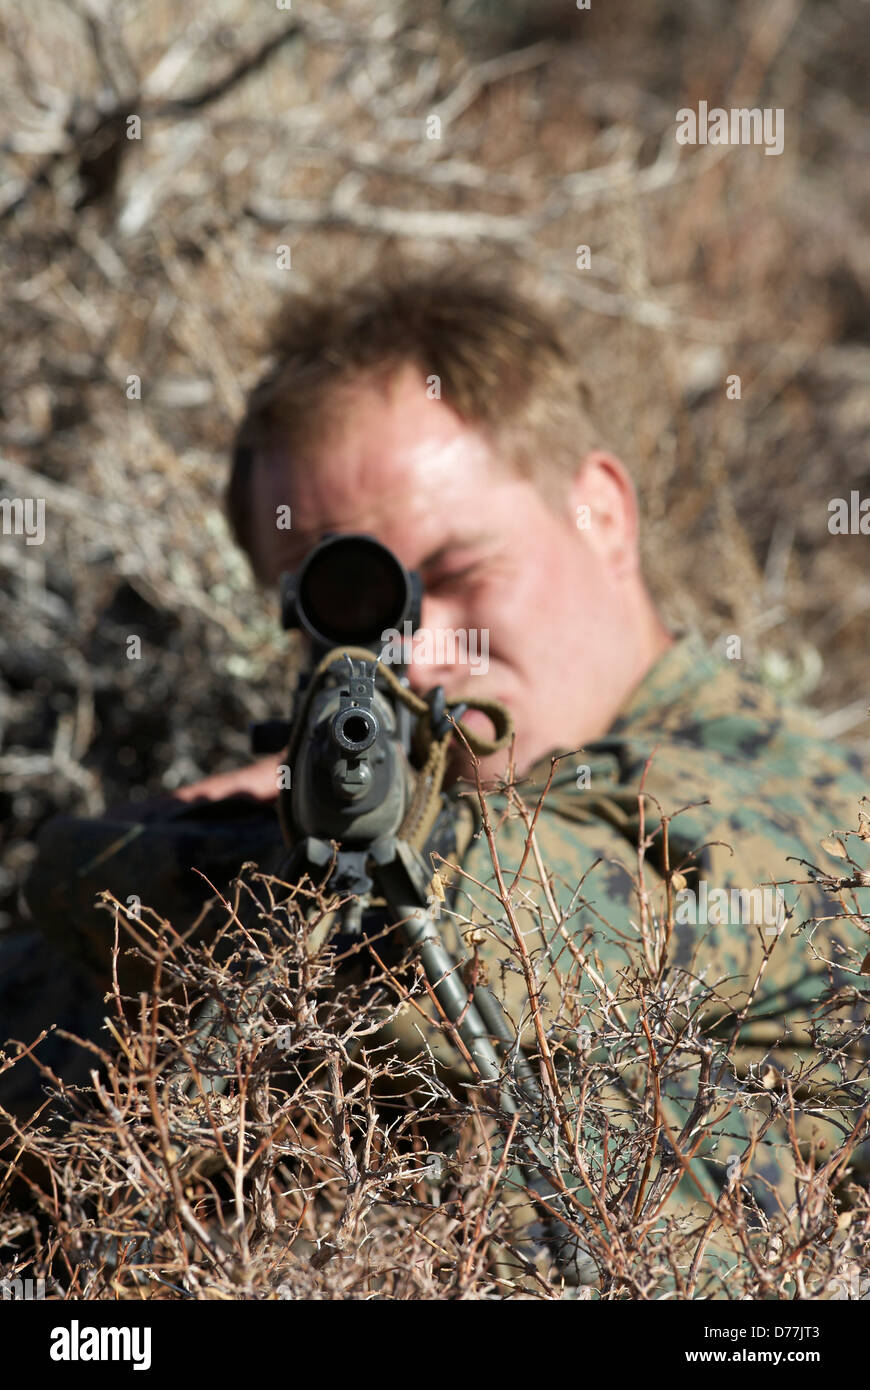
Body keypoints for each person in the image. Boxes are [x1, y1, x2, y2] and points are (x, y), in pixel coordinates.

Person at [6, 266, 869, 1291]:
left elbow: (478, 924)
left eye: (459, 570)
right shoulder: (289, 828)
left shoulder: (802, 799)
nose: (418, 655)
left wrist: (103, 856)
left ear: (600, 510)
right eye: (355, 606)